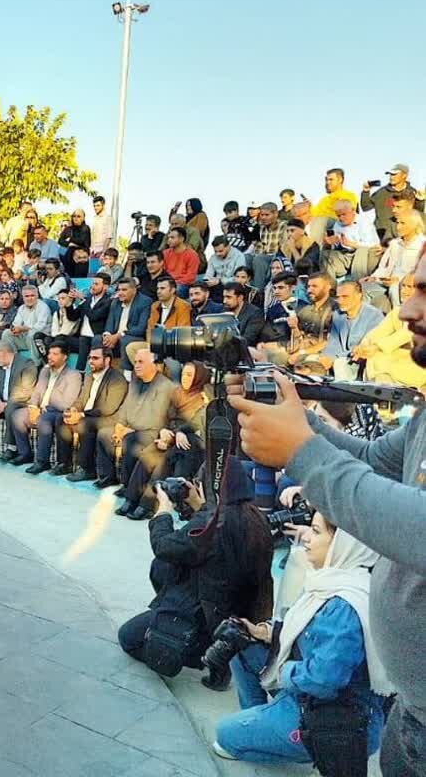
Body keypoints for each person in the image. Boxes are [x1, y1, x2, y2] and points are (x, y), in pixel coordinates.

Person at [226, 246, 426, 775]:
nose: (406, 312)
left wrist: (299, 451)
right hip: (412, 715)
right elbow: (371, 462)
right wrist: (288, 411)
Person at [212, 513, 390, 769]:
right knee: (241, 643)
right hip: (305, 693)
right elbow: (305, 633)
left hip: (332, 715)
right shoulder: (333, 580)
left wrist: (285, 671)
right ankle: (261, 722)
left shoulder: (345, 605)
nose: (305, 537)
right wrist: (265, 632)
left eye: (316, 531)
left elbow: (324, 680)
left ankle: (304, 744)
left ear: (341, 543)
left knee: (224, 738)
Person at [118, 461, 274, 687]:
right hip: (235, 614)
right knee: (164, 568)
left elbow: (164, 546)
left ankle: (202, 653)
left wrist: (163, 511)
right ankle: (221, 649)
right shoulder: (255, 517)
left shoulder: (212, 523)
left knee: (128, 637)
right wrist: (200, 505)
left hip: (203, 612)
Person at [117, 361, 211, 520]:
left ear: (199, 378)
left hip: (192, 443)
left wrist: (179, 433)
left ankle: (147, 505)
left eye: (189, 375)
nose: (185, 379)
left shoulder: (204, 397)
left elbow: (197, 423)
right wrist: (165, 431)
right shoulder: (177, 393)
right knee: (150, 454)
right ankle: (131, 499)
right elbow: (165, 417)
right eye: (183, 374)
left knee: (164, 459)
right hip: (173, 437)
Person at [95, 349, 176, 489]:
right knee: (103, 434)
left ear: (154, 365)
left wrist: (129, 430)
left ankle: (127, 486)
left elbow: (155, 420)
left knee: (131, 440)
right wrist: (120, 425)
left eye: (141, 362)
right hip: (132, 429)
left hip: (152, 432)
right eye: (135, 362)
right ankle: (107, 476)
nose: (136, 365)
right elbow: (125, 407)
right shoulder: (135, 382)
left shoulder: (165, 386)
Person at [6, 338, 82, 473]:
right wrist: (33, 407)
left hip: (57, 412)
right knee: (17, 415)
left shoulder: (73, 375)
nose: (50, 357)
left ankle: (42, 461)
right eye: (49, 353)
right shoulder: (45, 371)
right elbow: (36, 392)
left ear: (64, 357)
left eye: (54, 354)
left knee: (44, 419)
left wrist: (47, 405)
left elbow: (68, 403)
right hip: (42, 409)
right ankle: (25, 454)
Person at [62, 347, 129, 482]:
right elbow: (81, 399)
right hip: (89, 415)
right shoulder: (89, 375)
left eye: (95, 358)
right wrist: (74, 409)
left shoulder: (117, 379)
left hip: (109, 418)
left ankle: (87, 469)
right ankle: (64, 464)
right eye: (89, 358)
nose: (90, 361)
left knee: (84, 424)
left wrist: (81, 415)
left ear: (107, 360)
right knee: (61, 419)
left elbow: (108, 408)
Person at [353, 273, 426, 388]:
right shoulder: (399, 311)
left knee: (379, 357)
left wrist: (377, 347)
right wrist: (364, 346)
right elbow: (380, 331)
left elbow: (407, 333)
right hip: (404, 358)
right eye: (403, 286)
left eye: (410, 287)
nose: (404, 290)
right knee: (375, 358)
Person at [103, 278, 152, 370]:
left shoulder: (145, 301)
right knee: (97, 339)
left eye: (124, 290)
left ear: (134, 290)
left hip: (133, 336)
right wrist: (107, 335)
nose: (120, 293)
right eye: (119, 289)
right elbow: (110, 322)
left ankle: (127, 374)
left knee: (125, 340)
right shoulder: (116, 301)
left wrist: (118, 335)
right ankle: (101, 373)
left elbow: (141, 328)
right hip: (115, 337)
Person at [2, 285, 51, 362]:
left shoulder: (43, 307)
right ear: (23, 297)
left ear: (37, 296)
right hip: (25, 337)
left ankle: (37, 363)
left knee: (32, 334)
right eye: (27, 296)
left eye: (32, 295)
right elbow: (16, 323)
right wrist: (15, 329)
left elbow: (40, 327)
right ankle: (14, 361)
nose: (29, 298)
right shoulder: (22, 308)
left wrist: (23, 328)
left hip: (40, 338)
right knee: (6, 333)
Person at [221, 282, 265, 347]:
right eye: (224, 297)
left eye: (229, 297)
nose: (224, 301)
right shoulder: (224, 310)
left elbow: (248, 339)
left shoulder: (255, 313)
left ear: (240, 297)